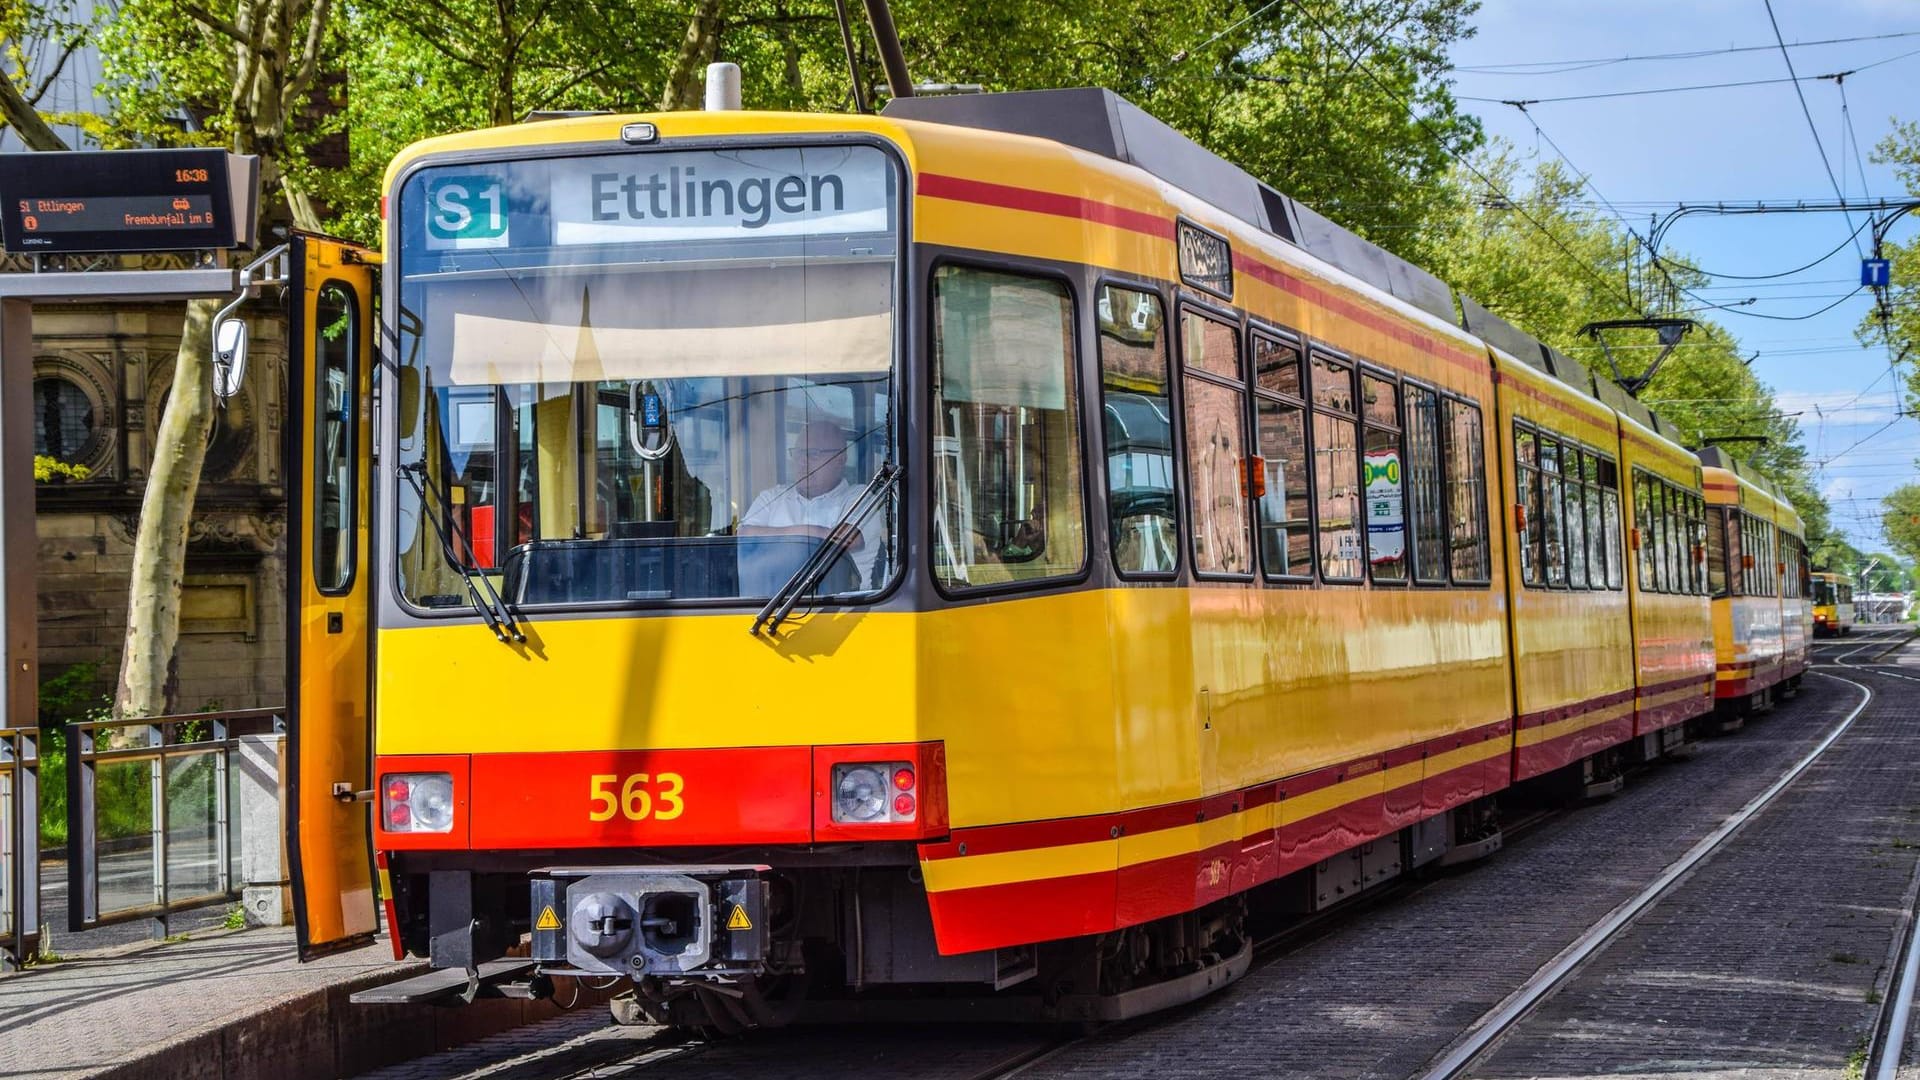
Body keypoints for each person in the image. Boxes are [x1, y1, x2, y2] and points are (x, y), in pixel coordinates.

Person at [739, 419, 884, 587]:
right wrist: (816, 533)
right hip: (772, 605)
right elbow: (743, 536)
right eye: (798, 453)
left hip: (843, 607)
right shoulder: (772, 497)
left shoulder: (860, 496)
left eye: (813, 454)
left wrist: (774, 537)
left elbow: (847, 539)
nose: (803, 462)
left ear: (840, 459)